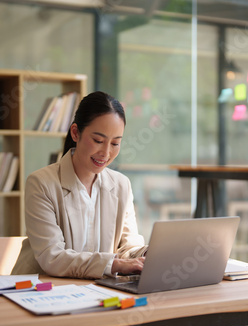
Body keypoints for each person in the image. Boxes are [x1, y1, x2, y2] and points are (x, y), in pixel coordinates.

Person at [12, 91, 147, 279]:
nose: (106, 153)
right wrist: (114, 264)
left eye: (115, 143)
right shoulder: (41, 183)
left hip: (96, 291)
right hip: (42, 291)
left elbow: (128, 248)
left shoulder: (121, 185)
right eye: (98, 141)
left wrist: (147, 255)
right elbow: (53, 257)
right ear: (76, 133)